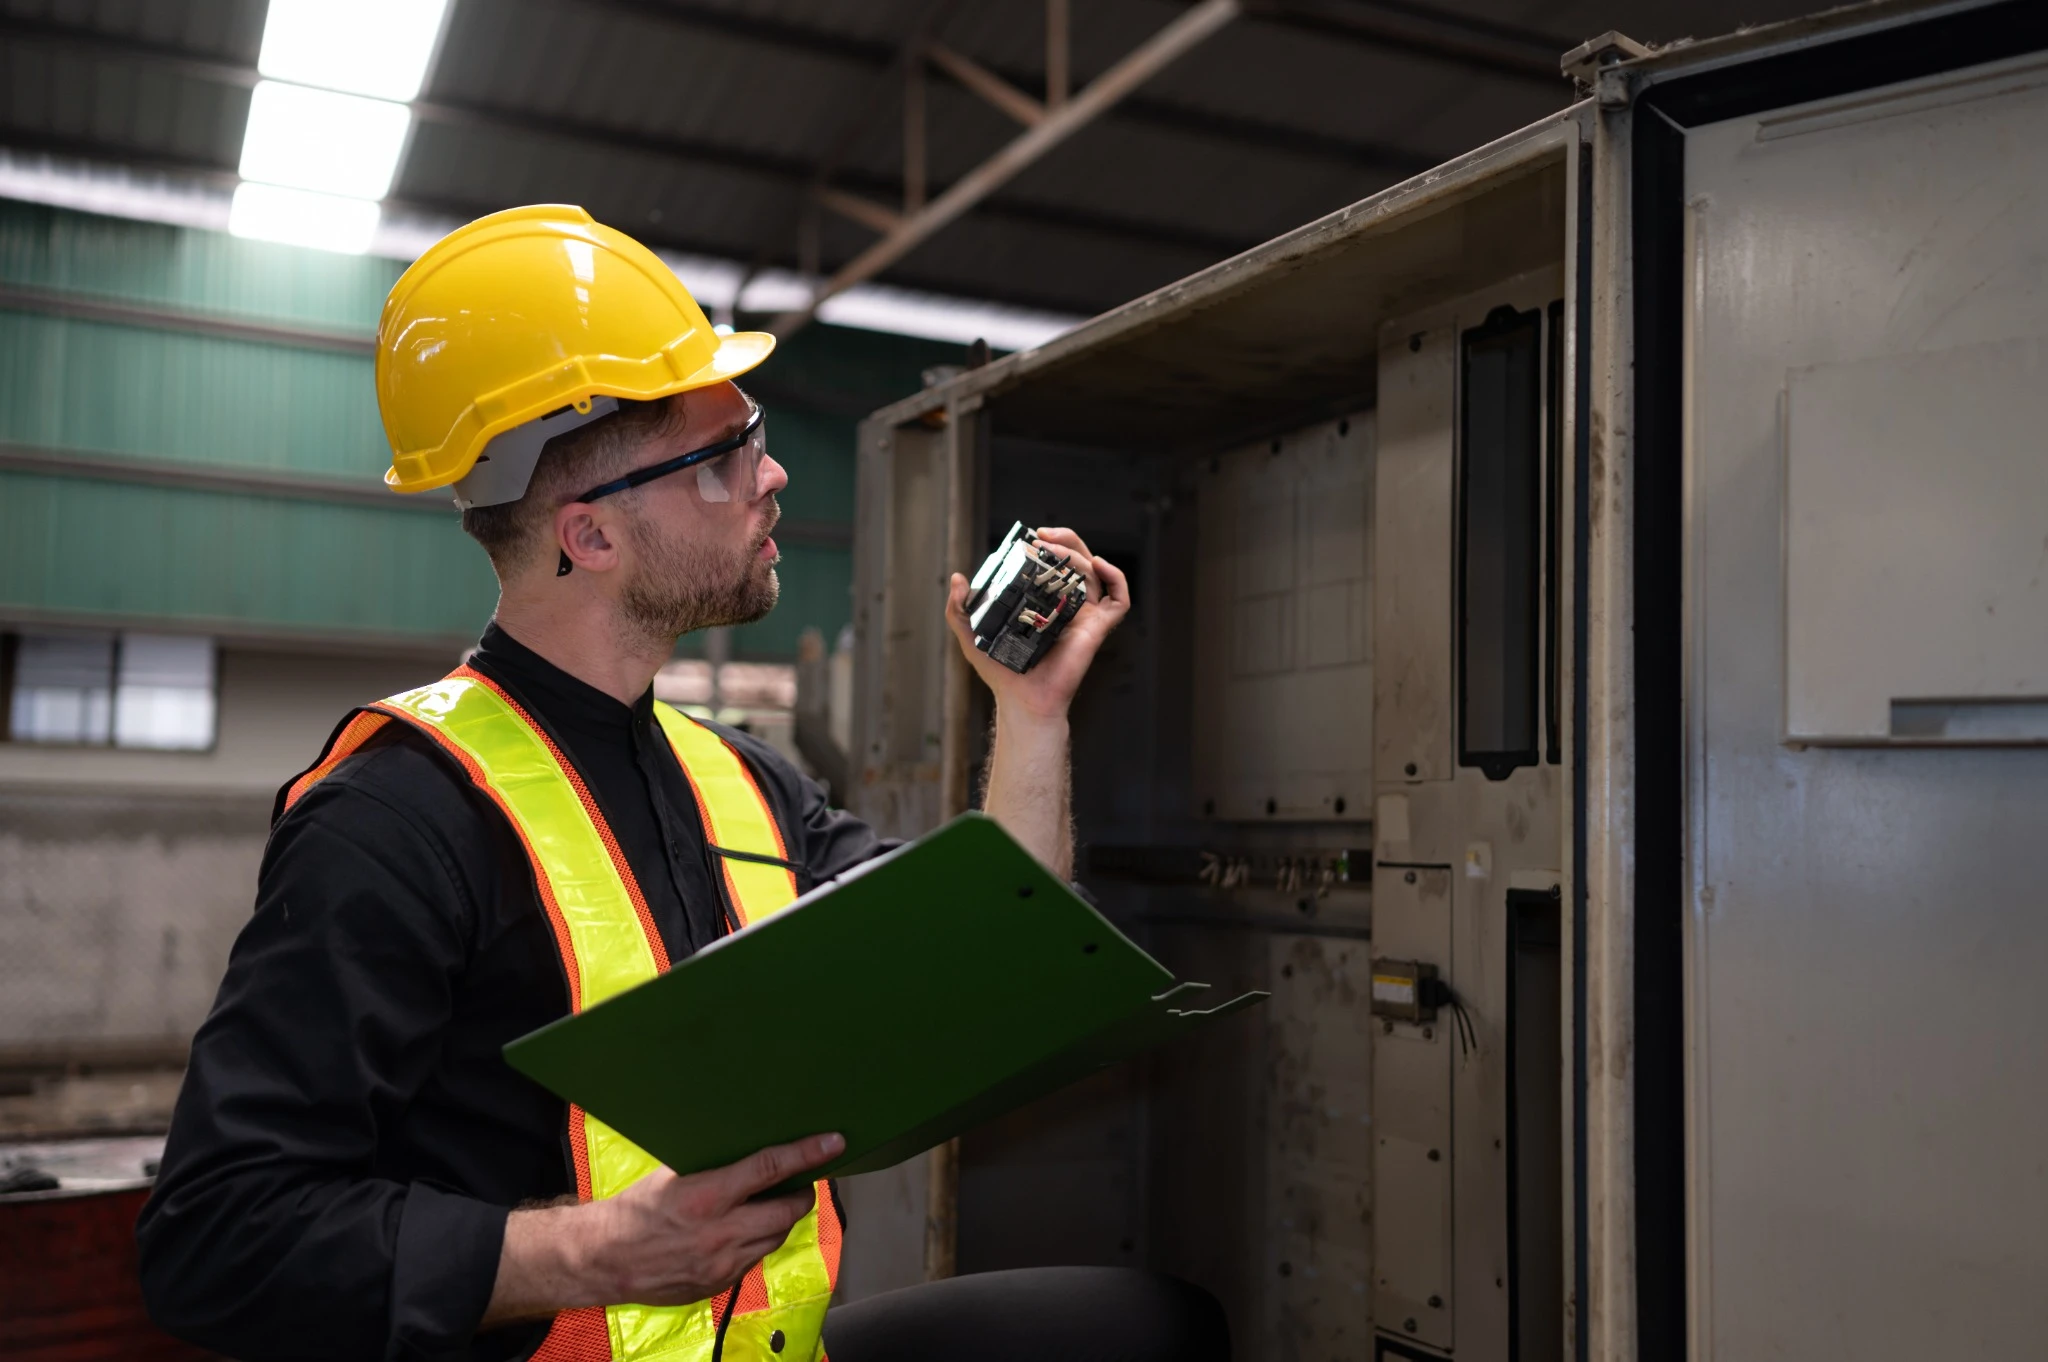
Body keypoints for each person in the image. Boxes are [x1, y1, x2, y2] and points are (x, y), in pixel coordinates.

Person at [135, 205, 1226, 1362]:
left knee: (1148, 1327)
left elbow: (993, 946)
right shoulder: (394, 820)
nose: (771, 474)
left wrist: (1031, 710)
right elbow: (212, 1238)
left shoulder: (742, 785)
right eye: (724, 455)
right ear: (590, 537)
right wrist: (599, 1253)